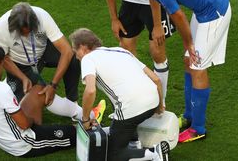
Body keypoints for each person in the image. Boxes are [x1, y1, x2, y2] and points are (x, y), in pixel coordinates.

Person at [115, 0, 231, 143]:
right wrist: (156, 25)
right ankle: (188, 116)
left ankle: (198, 129)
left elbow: (178, 15)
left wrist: (189, 44)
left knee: (197, 65)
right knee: (188, 62)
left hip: (214, 13)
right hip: (203, 10)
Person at [69, 28, 170, 161]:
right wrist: (160, 105)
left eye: (75, 52)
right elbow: (155, 79)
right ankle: (134, 142)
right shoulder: (121, 50)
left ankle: (154, 153)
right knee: (120, 105)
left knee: (114, 155)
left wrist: (86, 119)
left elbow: (90, 90)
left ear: (82, 47)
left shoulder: (88, 58)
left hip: (132, 108)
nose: (76, 57)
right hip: (153, 101)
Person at [0, 2, 98, 121]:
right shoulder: (1, 28)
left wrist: (53, 85)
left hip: (43, 53)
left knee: (73, 59)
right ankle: (10, 83)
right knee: (22, 109)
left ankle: (73, 102)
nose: (26, 36)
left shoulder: (42, 16)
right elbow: (4, 58)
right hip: (20, 64)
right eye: (23, 33)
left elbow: (66, 51)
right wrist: (22, 78)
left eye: (29, 31)